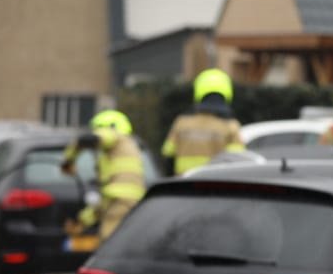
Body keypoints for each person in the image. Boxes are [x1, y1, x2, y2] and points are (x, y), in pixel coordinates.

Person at [61, 109, 146, 239]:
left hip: (121, 202)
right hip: (131, 203)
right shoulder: (124, 149)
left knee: (109, 243)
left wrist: (68, 161)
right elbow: (103, 206)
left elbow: (89, 139)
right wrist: (81, 221)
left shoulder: (115, 135)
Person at [162, 68, 245, 175]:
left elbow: (168, 155)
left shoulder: (181, 122)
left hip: (184, 182)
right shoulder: (230, 126)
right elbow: (238, 161)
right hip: (216, 182)